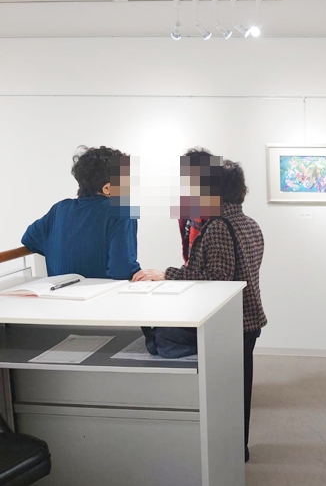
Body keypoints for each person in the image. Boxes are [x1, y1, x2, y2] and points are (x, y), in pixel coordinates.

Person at [135, 159, 266, 463]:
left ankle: (229, 454)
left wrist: (167, 274)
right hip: (248, 320)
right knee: (239, 391)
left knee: (225, 393)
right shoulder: (248, 223)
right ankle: (237, 449)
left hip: (229, 324)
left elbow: (217, 279)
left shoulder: (218, 226)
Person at [21, 146, 141, 280]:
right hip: (102, 292)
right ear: (108, 188)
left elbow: (28, 239)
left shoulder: (60, 208)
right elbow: (122, 271)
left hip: (58, 290)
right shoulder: (123, 210)